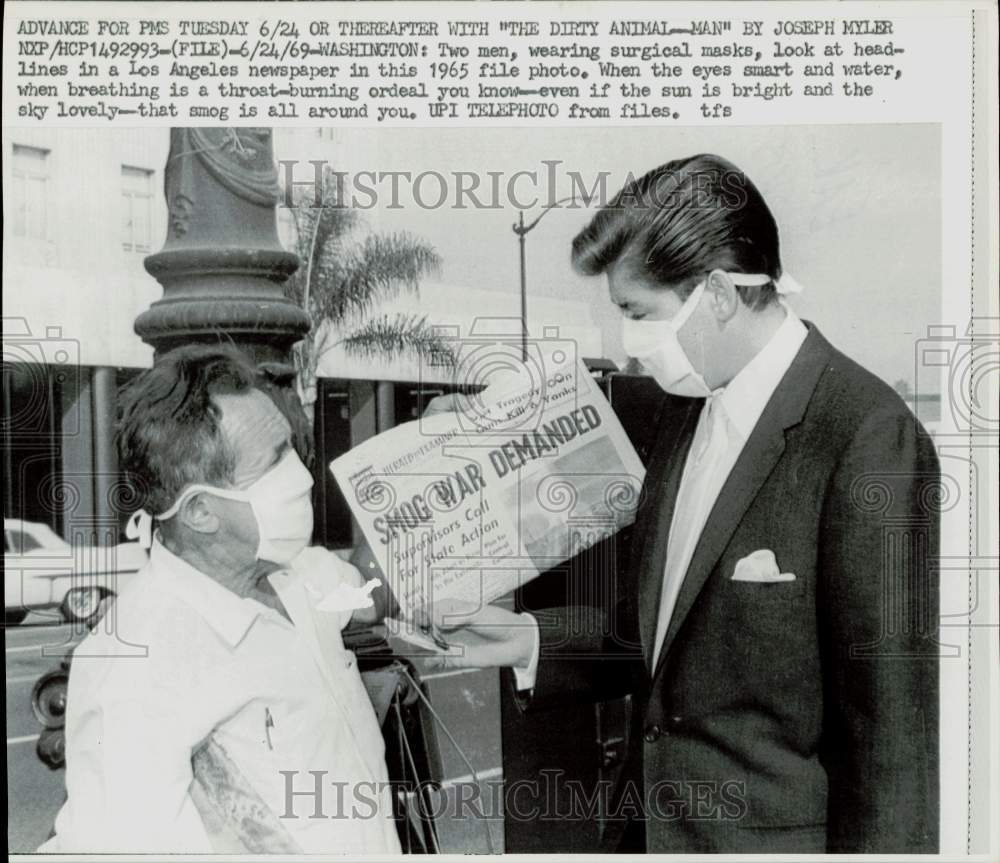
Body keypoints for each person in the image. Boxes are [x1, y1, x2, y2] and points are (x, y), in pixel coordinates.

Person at [424, 154, 940, 854]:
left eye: (638, 313)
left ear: (720, 293)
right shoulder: (684, 411)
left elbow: (895, 747)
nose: (630, 343)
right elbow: (668, 634)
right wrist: (531, 641)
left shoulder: (865, 435)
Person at [41, 344, 402, 854]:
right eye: (273, 461)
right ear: (200, 512)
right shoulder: (135, 662)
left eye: (290, 449)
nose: (300, 474)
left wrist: (429, 454)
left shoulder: (293, 574)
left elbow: (371, 591)